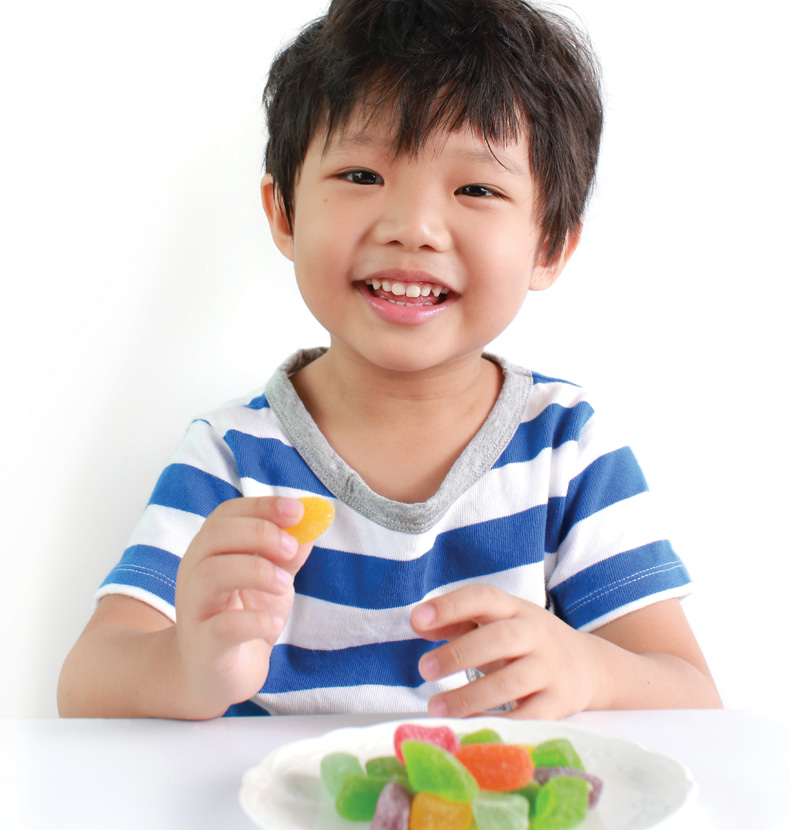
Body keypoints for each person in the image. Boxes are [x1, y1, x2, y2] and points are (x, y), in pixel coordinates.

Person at [58, 0, 722, 720]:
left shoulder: (567, 450)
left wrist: (589, 672)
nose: (413, 228)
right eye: (361, 176)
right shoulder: (231, 458)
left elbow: (693, 699)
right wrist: (187, 666)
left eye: (476, 188)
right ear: (283, 212)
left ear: (551, 246)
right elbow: (85, 684)